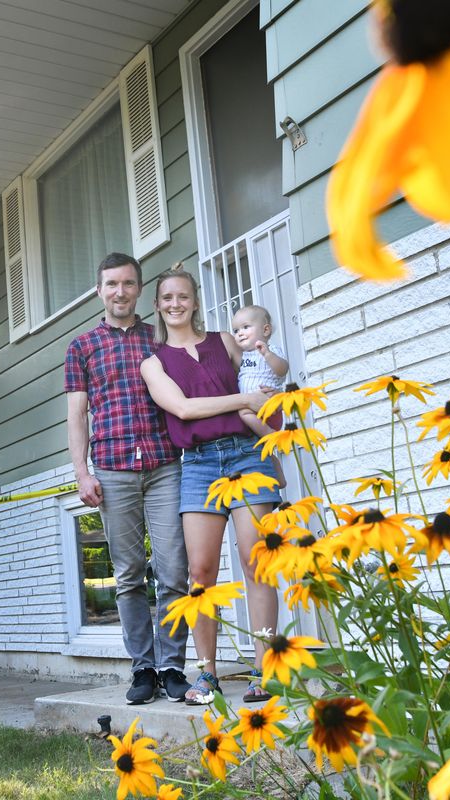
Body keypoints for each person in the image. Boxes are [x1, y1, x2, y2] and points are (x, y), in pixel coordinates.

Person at [65, 253, 264, 705]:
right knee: (129, 573)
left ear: (141, 293)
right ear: (100, 290)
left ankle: (173, 666)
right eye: (112, 284)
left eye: (129, 284)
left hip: (167, 463)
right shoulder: (82, 347)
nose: (120, 292)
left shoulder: (155, 341)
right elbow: (77, 414)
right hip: (114, 467)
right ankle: (143, 667)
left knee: (176, 571)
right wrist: (82, 472)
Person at [141, 265, 282, 705]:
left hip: (246, 454)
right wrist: (244, 400)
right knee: (200, 572)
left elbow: (264, 381)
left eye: (183, 296)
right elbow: (182, 408)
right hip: (198, 464)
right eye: (167, 298)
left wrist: (271, 423)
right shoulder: (153, 362)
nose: (175, 304)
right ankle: (207, 674)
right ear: (159, 305)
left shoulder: (225, 341)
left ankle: (265, 669)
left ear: (195, 301)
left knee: (255, 559)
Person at [232, 304, 289, 487]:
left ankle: (270, 435)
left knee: (242, 413)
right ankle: (280, 478)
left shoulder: (271, 350)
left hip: (269, 406)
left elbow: (282, 370)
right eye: (236, 330)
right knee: (263, 451)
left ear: (265, 330)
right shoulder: (244, 355)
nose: (240, 333)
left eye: (245, 327)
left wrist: (267, 354)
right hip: (254, 410)